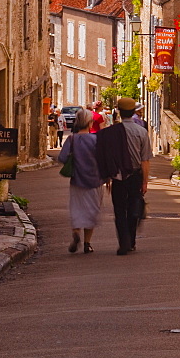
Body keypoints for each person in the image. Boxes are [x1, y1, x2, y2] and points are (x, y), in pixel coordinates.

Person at [96, 96, 151, 255]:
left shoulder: (111, 133)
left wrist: (107, 177)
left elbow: (105, 156)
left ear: (119, 112)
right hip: (135, 175)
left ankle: (123, 242)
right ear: (134, 111)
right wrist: (145, 181)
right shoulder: (141, 132)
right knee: (134, 207)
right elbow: (145, 160)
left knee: (119, 210)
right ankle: (131, 240)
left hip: (118, 176)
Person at [58, 108, 103, 254]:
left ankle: (76, 232)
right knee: (91, 211)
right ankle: (87, 243)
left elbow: (62, 158)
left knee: (77, 209)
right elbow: (105, 161)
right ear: (90, 123)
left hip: (77, 180)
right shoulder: (97, 140)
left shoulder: (71, 140)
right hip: (95, 180)